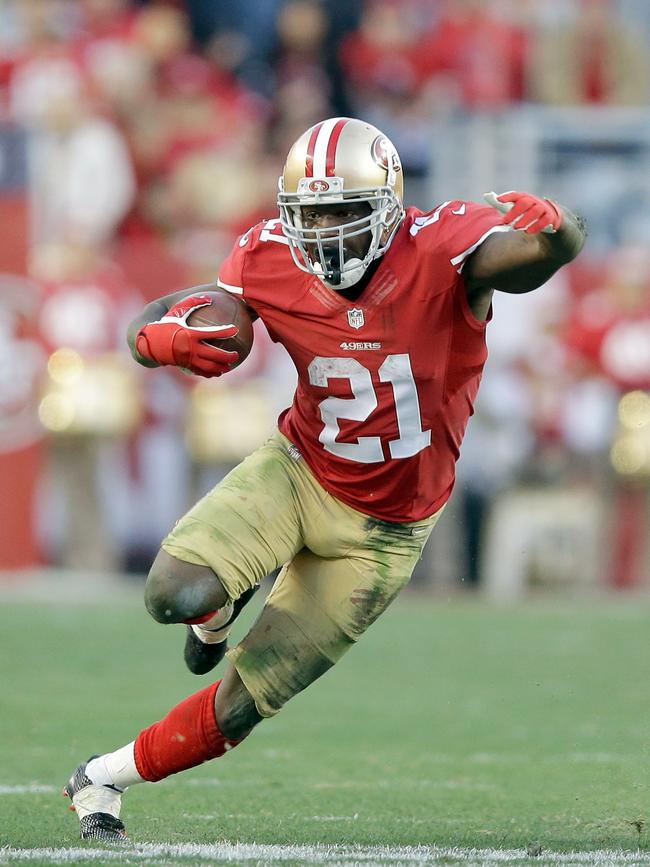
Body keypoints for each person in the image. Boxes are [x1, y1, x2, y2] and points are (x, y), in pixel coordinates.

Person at [63, 116, 586, 840]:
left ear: (390, 205)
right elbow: (174, 319)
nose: (326, 231)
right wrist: (157, 342)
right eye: (311, 214)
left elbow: (528, 255)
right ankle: (215, 611)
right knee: (171, 594)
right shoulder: (268, 254)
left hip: (385, 531)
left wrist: (560, 234)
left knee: (241, 705)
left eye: (344, 211)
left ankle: (104, 776)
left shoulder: (441, 246)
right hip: (300, 467)